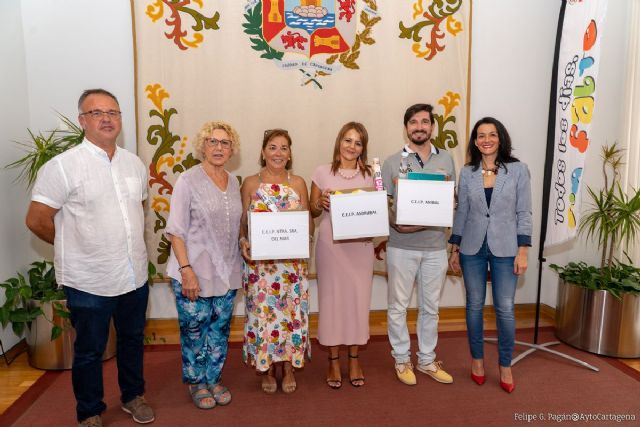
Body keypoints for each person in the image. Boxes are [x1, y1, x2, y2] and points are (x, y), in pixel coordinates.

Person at [26, 89, 154, 426]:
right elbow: (36, 219)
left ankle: (132, 396)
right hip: (89, 280)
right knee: (88, 351)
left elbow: (137, 210)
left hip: (133, 276)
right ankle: (89, 412)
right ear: (83, 121)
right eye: (97, 112)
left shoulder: (134, 164)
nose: (107, 118)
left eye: (113, 112)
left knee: (131, 340)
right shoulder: (63, 167)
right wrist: (75, 244)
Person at [448, 117, 532, 394]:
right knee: (474, 306)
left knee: (505, 308)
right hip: (472, 246)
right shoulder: (467, 172)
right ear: (474, 141)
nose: (486, 140)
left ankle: (505, 364)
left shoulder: (518, 170)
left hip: (506, 248)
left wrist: (523, 251)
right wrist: (455, 248)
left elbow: (524, 212)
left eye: (491, 135)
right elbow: (461, 213)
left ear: (500, 138)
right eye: (481, 135)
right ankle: (477, 361)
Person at [165, 121, 242, 409]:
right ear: (202, 146)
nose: (218, 147)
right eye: (212, 141)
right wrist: (186, 271)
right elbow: (176, 230)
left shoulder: (234, 182)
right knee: (195, 331)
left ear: (232, 149)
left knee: (220, 331)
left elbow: (234, 228)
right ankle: (197, 383)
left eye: (225, 143)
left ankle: (214, 378)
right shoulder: (187, 180)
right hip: (193, 271)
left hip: (227, 271)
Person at [381, 103, 456, 386]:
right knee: (397, 307)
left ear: (432, 127)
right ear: (406, 127)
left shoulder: (447, 160)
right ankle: (401, 359)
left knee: (431, 308)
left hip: (436, 246)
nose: (420, 127)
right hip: (400, 245)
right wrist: (396, 222)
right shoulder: (391, 162)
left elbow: (452, 201)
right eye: (414, 122)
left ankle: (426, 359)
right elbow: (383, 204)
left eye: (425, 122)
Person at [239, 129, 313, 394]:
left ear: (290, 153)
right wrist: (244, 242)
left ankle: (290, 366)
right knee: (264, 315)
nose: (278, 153)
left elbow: (308, 223)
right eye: (273, 147)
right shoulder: (249, 183)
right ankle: (268, 367)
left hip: (292, 267)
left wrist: (304, 237)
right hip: (261, 268)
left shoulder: (299, 183)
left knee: (291, 315)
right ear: (263, 151)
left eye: (284, 148)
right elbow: (243, 225)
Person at [309, 122, 374, 389]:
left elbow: (379, 207)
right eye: (348, 140)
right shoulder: (321, 172)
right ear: (339, 142)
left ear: (363, 148)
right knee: (332, 302)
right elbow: (312, 211)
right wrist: (319, 202)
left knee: (359, 301)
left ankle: (355, 358)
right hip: (331, 245)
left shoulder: (371, 174)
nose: (352, 146)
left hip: (360, 247)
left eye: (358, 143)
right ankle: (334, 360)